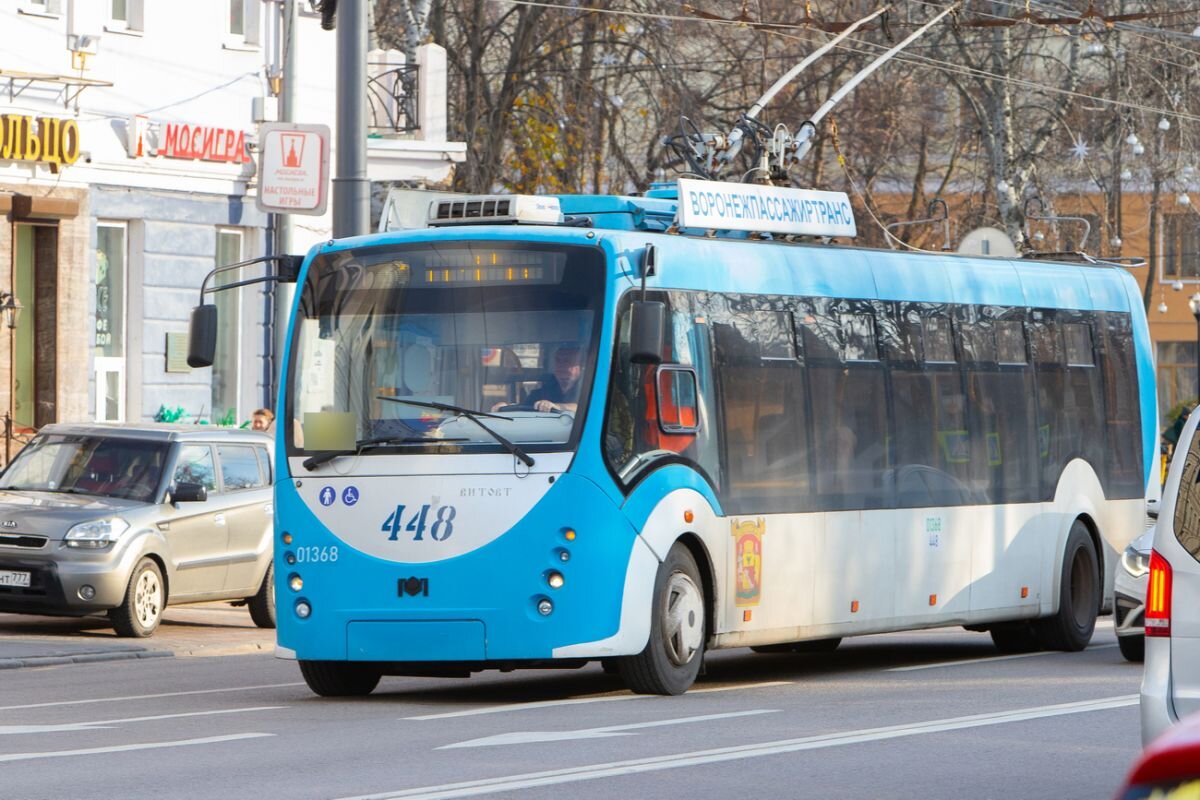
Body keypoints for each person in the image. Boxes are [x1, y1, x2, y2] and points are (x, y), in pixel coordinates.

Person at [526, 346, 582, 413]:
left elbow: (588, 408)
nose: (561, 365)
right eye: (558, 360)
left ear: (580, 367)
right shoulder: (540, 393)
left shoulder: (590, 389)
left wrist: (557, 407)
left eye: (567, 361)